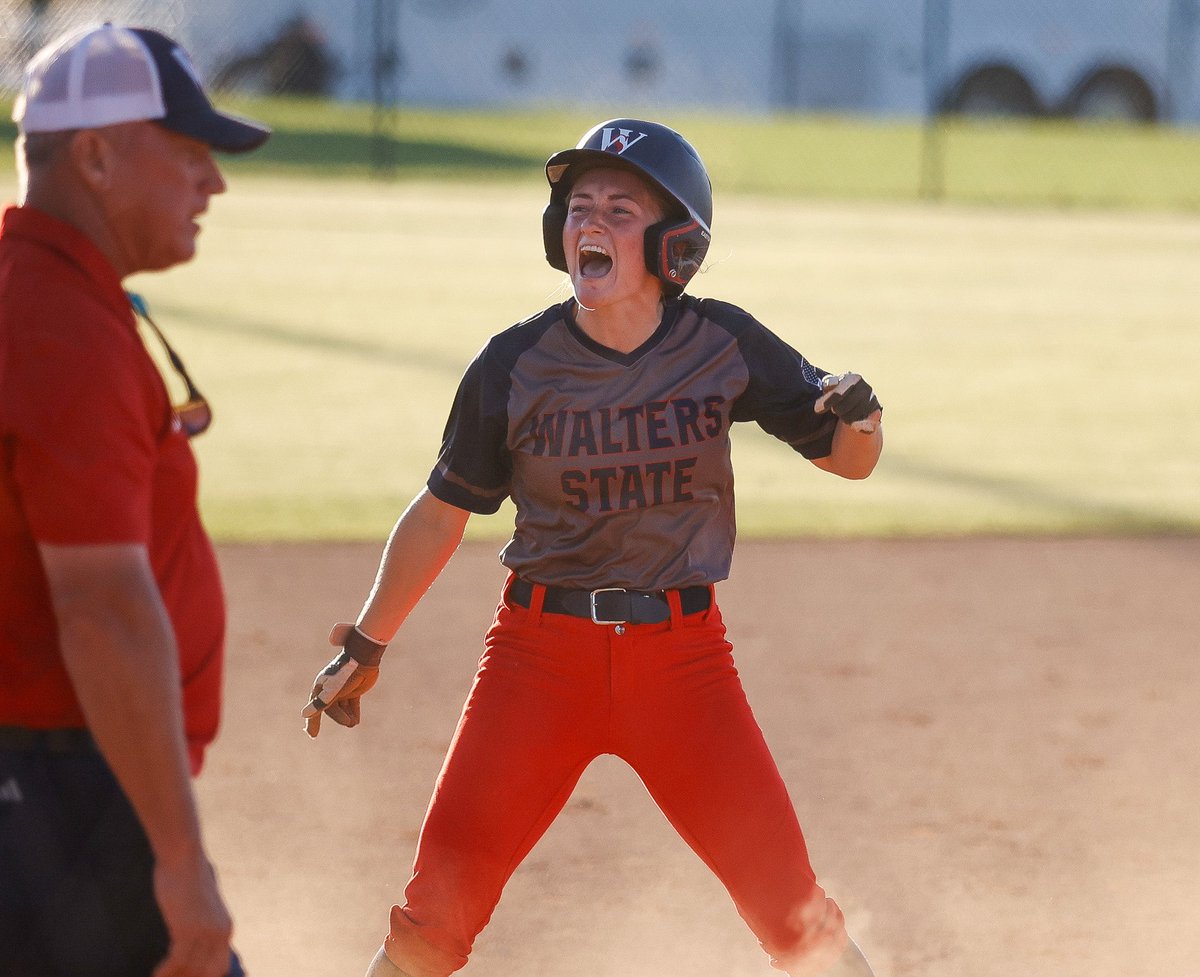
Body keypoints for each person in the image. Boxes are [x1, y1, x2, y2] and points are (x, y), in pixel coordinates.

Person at [303, 118, 883, 977]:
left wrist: (863, 420)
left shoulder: (721, 343)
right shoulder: (514, 364)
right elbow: (442, 510)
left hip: (684, 664)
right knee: (434, 915)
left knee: (791, 907)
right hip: (537, 660)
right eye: (578, 207)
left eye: (619, 208)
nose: (590, 224)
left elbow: (850, 459)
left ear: (672, 240)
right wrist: (365, 642)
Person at [0, 22, 270, 977]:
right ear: (97, 155)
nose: (215, 183)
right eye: (192, 152)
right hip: (58, 790)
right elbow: (104, 607)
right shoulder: (60, 327)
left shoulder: (40, 287)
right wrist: (180, 856)